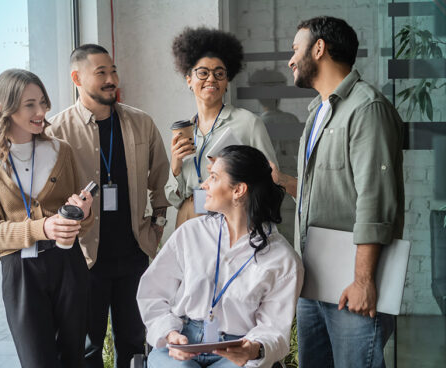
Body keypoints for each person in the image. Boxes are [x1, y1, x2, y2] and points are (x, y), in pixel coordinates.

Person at [271, 17, 404, 367]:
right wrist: (284, 181)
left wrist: (363, 280)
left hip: (351, 286)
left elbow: (374, 200)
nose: (290, 60)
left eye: (295, 49)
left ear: (319, 48)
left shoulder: (366, 108)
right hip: (313, 281)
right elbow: (329, 193)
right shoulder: (318, 110)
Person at [47, 44, 170, 368]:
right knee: (87, 347)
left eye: (112, 71)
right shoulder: (56, 131)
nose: (111, 78)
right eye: (101, 72)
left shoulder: (140, 122)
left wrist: (157, 224)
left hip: (134, 254)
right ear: (77, 77)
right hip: (84, 258)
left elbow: (160, 177)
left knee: (133, 341)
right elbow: (46, 198)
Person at [0, 69, 93, 367]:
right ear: (5, 109)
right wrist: (43, 227)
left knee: (74, 358)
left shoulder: (61, 150)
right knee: (37, 361)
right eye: (30, 104)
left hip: (68, 266)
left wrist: (83, 214)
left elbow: (82, 222)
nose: (41, 111)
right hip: (21, 271)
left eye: (43, 102)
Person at [138, 145, 303, 368]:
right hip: (181, 343)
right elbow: (152, 293)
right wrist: (169, 334)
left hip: (238, 352)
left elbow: (274, 328)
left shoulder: (282, 258)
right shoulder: (191, 233)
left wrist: (253, 349)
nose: (204, 185)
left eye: (214, 177)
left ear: (239, 190)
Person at [165, 27, 278, 228]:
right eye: (203, 72)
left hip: (226, 221)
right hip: (187, 219)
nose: (211, 79)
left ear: (227, 82)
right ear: (189, 80)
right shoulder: (185, 131)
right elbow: (173, 199)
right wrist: (175, 166)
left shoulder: (248, 123)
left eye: (219, 73)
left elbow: (271, 182)